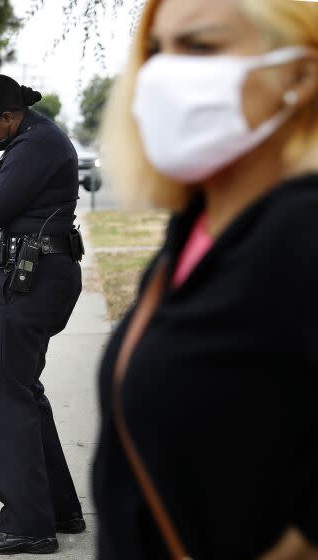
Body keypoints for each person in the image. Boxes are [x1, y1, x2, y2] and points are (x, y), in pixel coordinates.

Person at [92, 0, 318, 558]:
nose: (163, 75)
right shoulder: (193, 232)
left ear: (301, 75)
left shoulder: (301, 231)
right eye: (155, 50)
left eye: (201, 47)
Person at [0, 75, 86, 555]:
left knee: (6, 397)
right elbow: (1, 205)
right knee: (24, 393)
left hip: (24, 281)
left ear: (9, 116)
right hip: (30, 278)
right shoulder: (32, 140)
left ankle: (28, 525)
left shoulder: (36, 144)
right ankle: (58, 510)